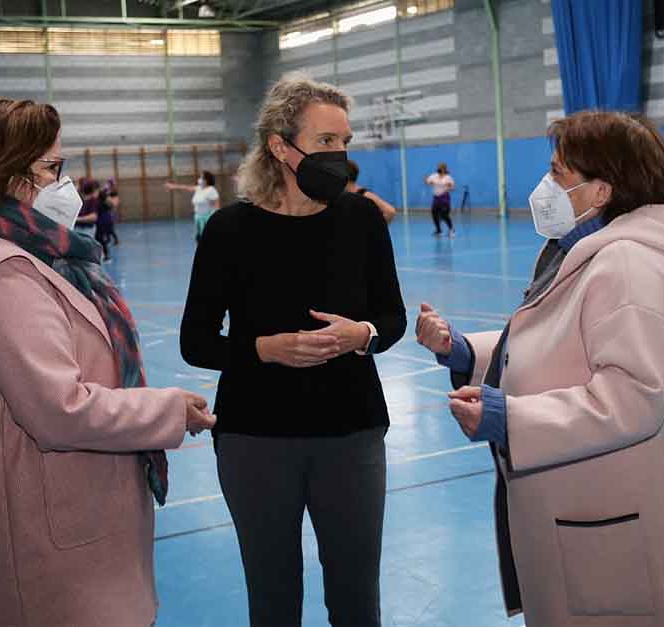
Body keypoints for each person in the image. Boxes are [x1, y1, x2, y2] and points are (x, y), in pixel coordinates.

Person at [0, 97, 215, 626]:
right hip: (47, 544)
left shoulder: (32, 260)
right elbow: (58, 410)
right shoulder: (2, 279)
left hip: (71, 518)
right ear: (5, 175)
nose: (64, 183)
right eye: (52, 167)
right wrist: (168, 412)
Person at [415, 111, 664, 626]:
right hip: (590, 521)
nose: (546, 186)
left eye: (558, 173)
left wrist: (509, 418)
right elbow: (560, 347)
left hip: (615, 533)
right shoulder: (588, 252)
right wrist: (467, 353)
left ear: (600, 191)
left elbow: (633, 398)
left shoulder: (630, 267)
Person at [179, 74, 406, 627]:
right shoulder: (229, 229)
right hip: (256, 439)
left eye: (345, 142)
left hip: (352, 435)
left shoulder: (362, 220)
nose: (340, 155)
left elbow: (392, 318)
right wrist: (262, 349)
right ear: (282, 146)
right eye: (326, 142)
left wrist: (364, 336)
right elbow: (196, 340)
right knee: (273, 597)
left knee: (357, 600)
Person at [165, 170, 220, 242]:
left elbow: (217, 206)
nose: (199, 179)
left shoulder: (211, 190)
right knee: (199, 239)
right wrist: (173, 187)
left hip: (207, 219)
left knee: (208, 239)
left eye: (201, 177)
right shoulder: (199, 188)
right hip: (198, 217)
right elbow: (185, 187)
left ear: (206, 180)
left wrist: (216, 220)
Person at [424, 162, 455, 237]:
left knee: (444, 215)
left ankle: (451, 230)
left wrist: (449, 187)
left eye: (443, 168)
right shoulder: (434, 176)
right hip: (436, 198)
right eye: (440, 167)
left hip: (444, 197)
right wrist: (425, 179)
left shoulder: (448, 177)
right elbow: (428, 182)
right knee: (434, 214)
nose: (441, 169)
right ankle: (438, 230)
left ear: (445, 169)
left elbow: (452, 187)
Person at [101, 178, 121, 246]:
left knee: (110, 227)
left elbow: (115, 203)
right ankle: (109, 239)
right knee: (107, 226)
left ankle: (115, 239)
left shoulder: (113, 192)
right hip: (108, 211)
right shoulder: (107, 191)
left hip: (111, 212)